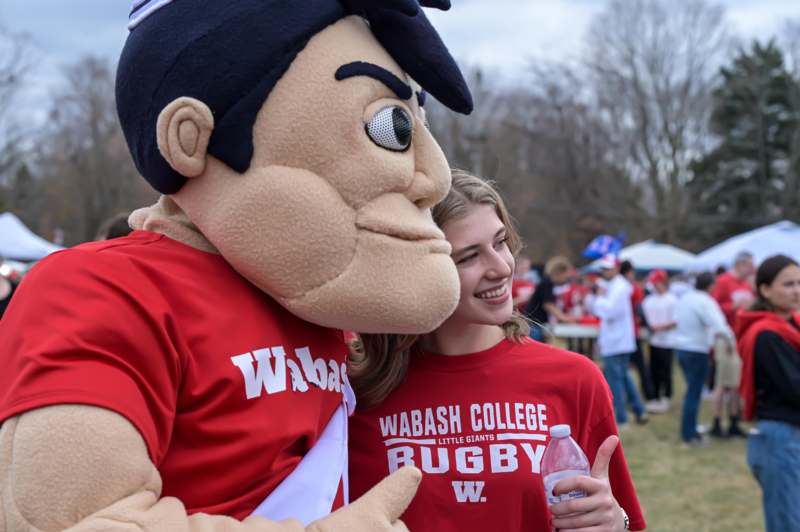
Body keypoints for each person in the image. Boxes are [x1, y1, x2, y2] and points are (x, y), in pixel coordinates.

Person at [0, 2, 474, 530]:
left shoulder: (312, 302)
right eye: (391, 127)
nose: (435, 176)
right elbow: (72, 518)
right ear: (189, 137)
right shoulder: (101, 288)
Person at [349, 170, 646, 531]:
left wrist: (616, 522)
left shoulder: (574, 379)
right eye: (469, 257)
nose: (502, 267)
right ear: (413, 272)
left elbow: (621, 520)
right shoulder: (354, 393)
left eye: (500, 242)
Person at [735, 254, 800, 532]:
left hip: (789, 435)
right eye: (788, 284)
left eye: (799, 282)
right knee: (787, 523)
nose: (796, 290)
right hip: (780, 439)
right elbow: (795, 388)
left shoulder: (791, 326)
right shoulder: (767, 334)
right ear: (764, 289)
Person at [672, 272, 734, 446]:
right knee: (694, 393)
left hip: (682, 348)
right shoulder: (705, 301)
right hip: (696, 349)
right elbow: (718, 324)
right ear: (711, 285)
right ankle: (689, 434)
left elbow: (676, 319)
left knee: (691, 391)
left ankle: (689, 428)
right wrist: (730, 340)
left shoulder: (685, 298)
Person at [592, 255, 649, 427]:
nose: (604, 272)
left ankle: (622, 417)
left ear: (616, 269)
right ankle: (639, 410)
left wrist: (600, 298)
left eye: (607, 268)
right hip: (618, 339)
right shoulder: (617, 286)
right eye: (603, 269)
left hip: (616, 341)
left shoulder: (619, 287)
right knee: (623, 376)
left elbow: (609, 312)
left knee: (615, 378)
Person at [620, 261, 656, 409]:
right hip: (631, 333)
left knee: (625, 368)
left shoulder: (618, 286)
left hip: (624, 334)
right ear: (629, 272)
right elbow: (639, 309)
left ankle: (629, 398)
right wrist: (647, 325)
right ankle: (648, 396)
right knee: (640, 367)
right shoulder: (632, 288)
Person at [641, 269, 677, 413]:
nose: (656, 286)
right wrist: (651, 328)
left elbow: (675, 321)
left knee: (666, 370)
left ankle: (666, 397)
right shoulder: (649, 300)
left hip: (668, 341)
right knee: (654, 369)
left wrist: (659, 327)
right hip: (654, 340)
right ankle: (655, 396)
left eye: (658, 283)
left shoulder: (672, 299)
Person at [523, 255, 578, 342]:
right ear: (560, 272)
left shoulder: (547, 283)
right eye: (565, 276)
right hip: (534, 323)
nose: (565, 279)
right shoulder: (547, 283)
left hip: (536, 323)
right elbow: (548, 305)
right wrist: (564, 318)